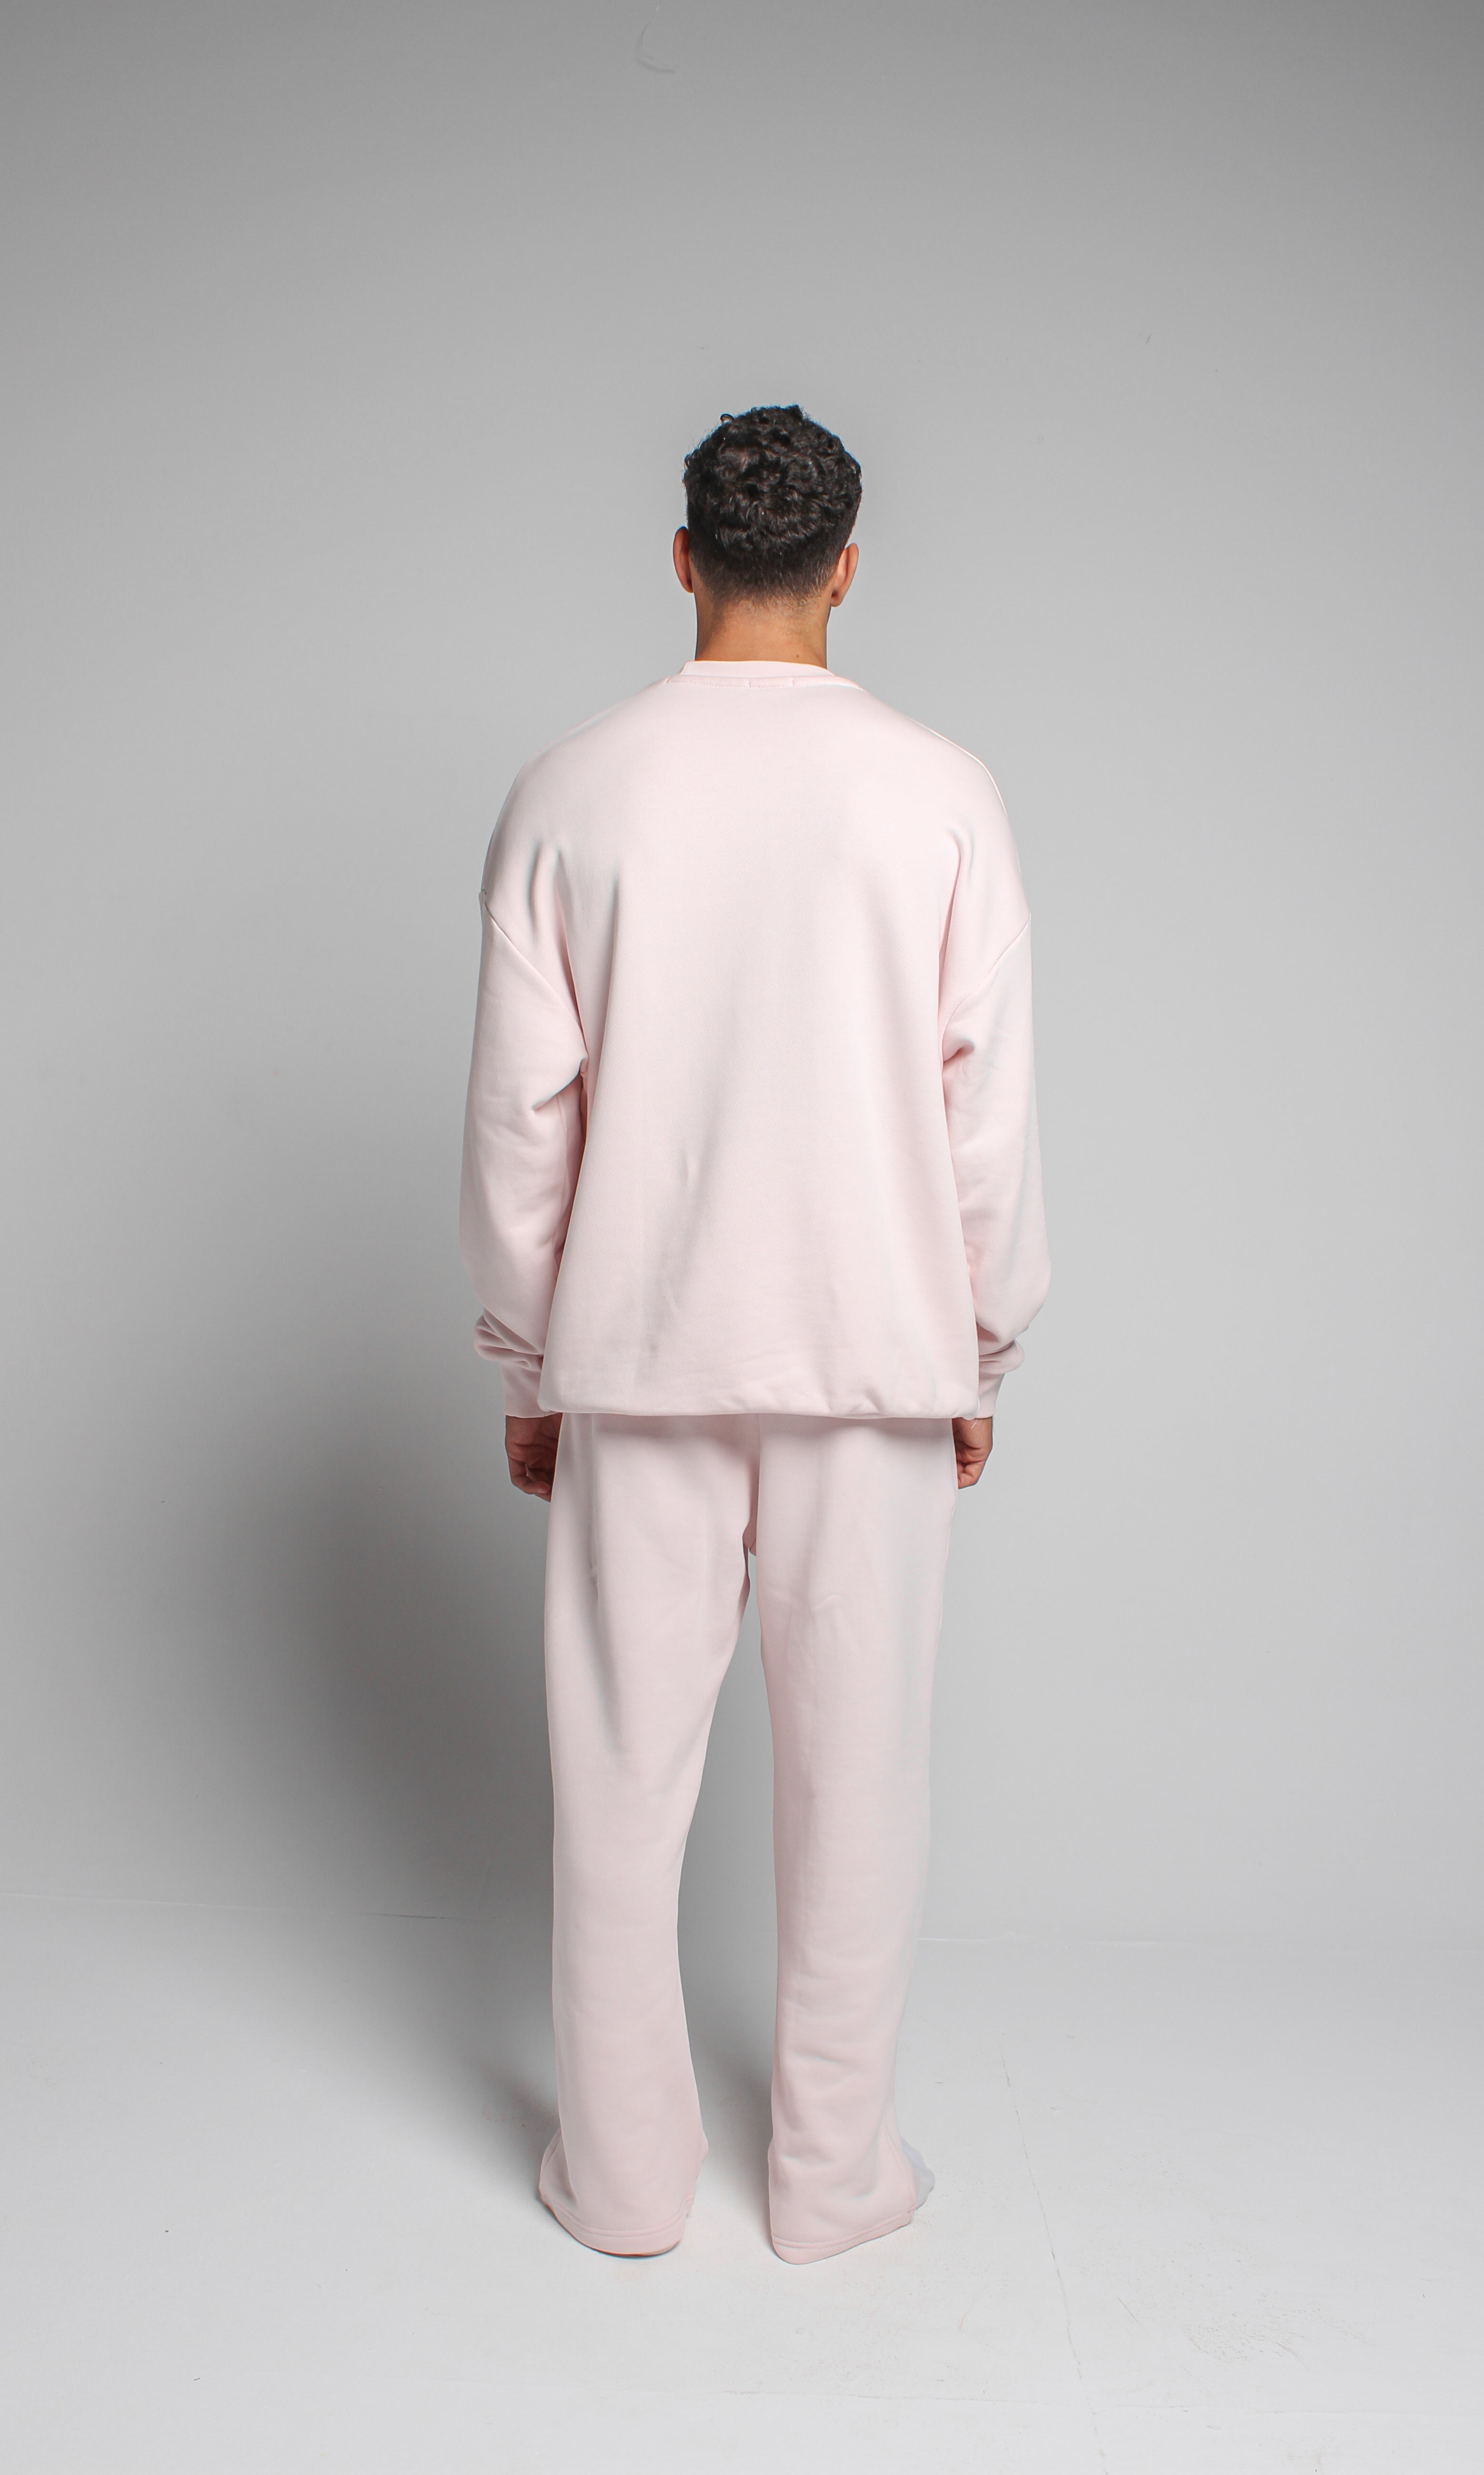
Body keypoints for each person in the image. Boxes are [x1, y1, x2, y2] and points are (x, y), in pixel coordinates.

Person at [459, 404, 1050, 2265]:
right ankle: (832, 2183)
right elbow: (983, 1107)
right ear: (847, 569)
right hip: (874, 1350)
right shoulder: (942, 790)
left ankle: (624, 2185)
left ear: (683, 559)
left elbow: (521, 1121)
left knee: (619, 1787)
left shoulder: (572, 787)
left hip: (638, 1349)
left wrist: (527, 1363)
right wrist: (978, 1351)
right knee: (859, 1787)